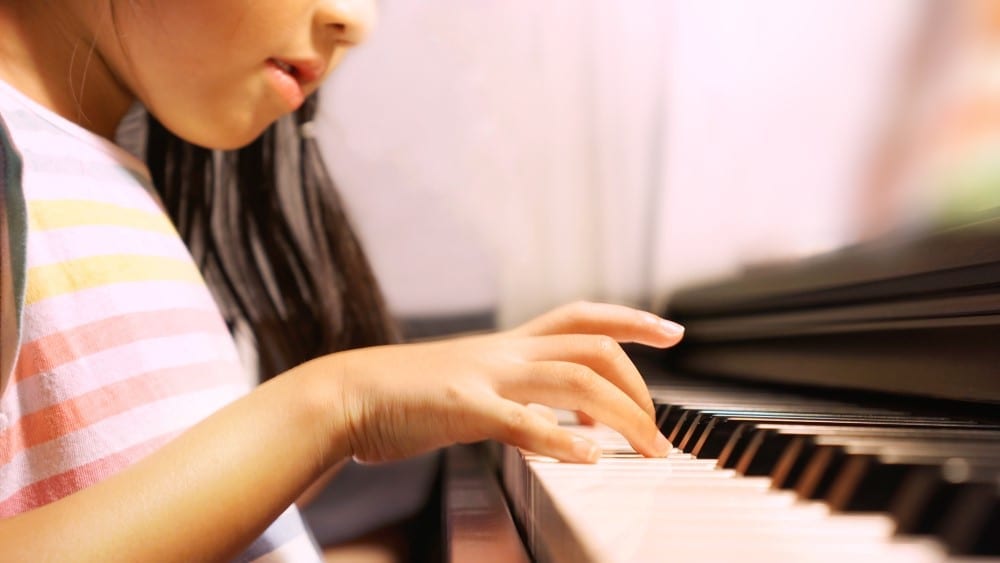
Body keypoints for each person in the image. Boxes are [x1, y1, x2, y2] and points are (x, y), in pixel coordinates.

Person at [0, 1, 683, 561]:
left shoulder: (103, 167)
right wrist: (336, 404)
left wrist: (430, 390)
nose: (358, 19)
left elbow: (159, 502)